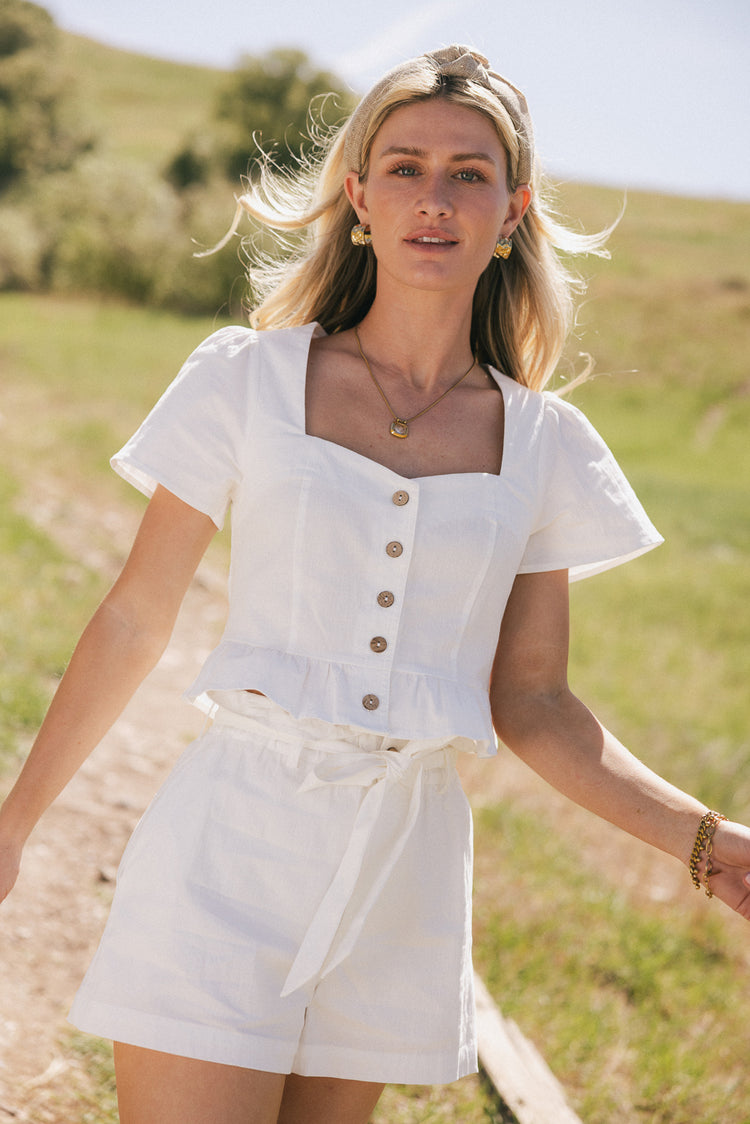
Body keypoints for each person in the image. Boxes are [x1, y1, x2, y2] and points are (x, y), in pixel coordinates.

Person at [1, 44, 749, 1124]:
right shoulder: (246, 377)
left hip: (406, 867)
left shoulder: (546, 445)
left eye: (468, 173)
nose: (434, 198)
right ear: (358, 198)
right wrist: (16, 822)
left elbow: (535, 701)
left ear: (513, 211)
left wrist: (706, 840)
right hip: (230, 841)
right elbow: (133, 616)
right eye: (405, 167)